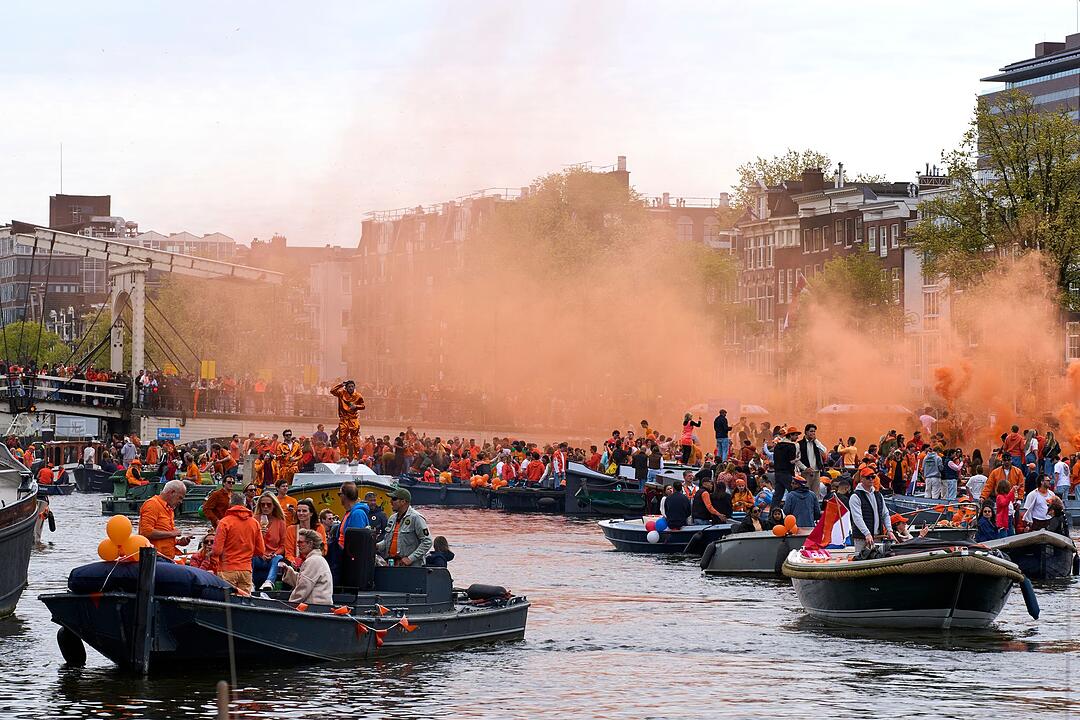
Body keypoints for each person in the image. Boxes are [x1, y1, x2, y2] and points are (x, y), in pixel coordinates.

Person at [212, 493, 265, 595]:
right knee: (244, 601)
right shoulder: (254, 523)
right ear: (245, 504)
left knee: (227, 600)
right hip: (246, 569)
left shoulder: (224, 522)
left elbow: (217, 550)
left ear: (230, 503)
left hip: (227, 568)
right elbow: (261, 551)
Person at [376, 488, 433, 566]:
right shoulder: (392, 518)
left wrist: (411, 558)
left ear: (403, 502)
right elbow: (387, 541)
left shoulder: (416, 518)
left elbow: (427, 541)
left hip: (411, 568)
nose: (391, 502)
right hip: (392, 564)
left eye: (394, 499)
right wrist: (377, 546)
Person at [137, 479, 191, 560]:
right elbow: (146, 532)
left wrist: (179, 541)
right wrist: (172, 533)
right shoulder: (152, 504)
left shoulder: (169, 509)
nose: (181, 502)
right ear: (172, 492)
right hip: (155, 558)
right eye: (180, 498)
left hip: (166, 558)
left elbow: (163, 536)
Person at [279, 528, 334, 606]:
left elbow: (304, 586)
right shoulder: (316, 559)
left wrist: (290, 605)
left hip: (314, 608)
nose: (298, 545)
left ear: (310, 544)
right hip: (318, 607)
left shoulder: (313, 560)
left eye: (300, 542)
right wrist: (288, 571)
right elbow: (303, 580)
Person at [849, 465, 895, 555]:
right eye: (868, 477)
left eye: (873, 477)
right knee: (860, 560)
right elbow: (857, 517)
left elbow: (885, 514)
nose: (871, 479)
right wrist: (867, 534)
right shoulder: (855, 497)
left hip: (878, 536)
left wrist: (889, 530)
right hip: (861, 538)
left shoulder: (878, 495)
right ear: (861, 479)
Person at [252, 494, 287, 591]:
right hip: (258, 555)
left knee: (279, 557)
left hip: (272, 556)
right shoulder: (254, 520)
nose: (265, 507)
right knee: (251, 556)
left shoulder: (280, 522)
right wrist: (259, 535)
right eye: (262, 505)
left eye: (268, 504)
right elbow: (250, 542)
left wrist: (274, 554)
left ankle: (269, 582)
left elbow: (283, 545)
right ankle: (250, 582)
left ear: (274, 506)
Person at [330, 380, 365, 463]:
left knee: (354, 439)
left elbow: (363, 406)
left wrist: (356, 406)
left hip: (353, 420)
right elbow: (332, 391)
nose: (351, 388)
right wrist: (341, 384)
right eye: (349, 386)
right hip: (343, 419)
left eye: (352, 386)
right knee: (342, 438)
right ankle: (343, 457)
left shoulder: (358, 396)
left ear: (354, 387)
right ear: (346, 387)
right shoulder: (342, 393)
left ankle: (356, 458)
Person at [283, 498, 327, 566]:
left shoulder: (319, 528)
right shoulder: (290, 529)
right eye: (299, 511)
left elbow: (323, 550)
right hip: (296, 564)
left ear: (311, 513)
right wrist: (293, 561)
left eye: (304, 511)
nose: (301, 513)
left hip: (315, 562)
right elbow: (289, 553)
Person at [772, 426, 801, 507]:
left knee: (777, 496)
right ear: (790, 435)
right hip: (787, 473)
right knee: (795, 493)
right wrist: (797, 458)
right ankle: (796, 512)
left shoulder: (778, 446)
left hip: (777, 473)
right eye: (795, 435)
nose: (797, 437)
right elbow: (791, 461)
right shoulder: (791, 446)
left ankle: (771, 516)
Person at [337, 481, 370, 548]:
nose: (339, 497)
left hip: (347, 556)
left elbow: (356, 542)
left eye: (339, 494)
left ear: (344, 495)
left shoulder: (357, 514)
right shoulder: (350, 512)